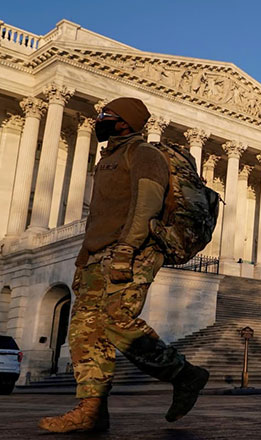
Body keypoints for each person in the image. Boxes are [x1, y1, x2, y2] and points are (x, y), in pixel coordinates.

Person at [38, 98, 209, 433]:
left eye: (106, 115)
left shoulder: (143, 154)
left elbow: (147, 203)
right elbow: (99, 216)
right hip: (96, 255)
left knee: (117, 320)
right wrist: (83, 256)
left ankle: (184, 374)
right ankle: (91, 409)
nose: (99, 119)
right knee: (84, 332)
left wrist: (127, 249)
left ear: (124, 123)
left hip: (132, 251)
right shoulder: (108, 160)